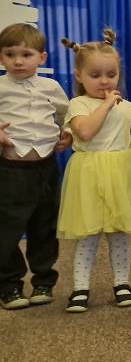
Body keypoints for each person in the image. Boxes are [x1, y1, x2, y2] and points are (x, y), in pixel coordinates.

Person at [57, 29, 131, 313]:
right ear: (79, 75)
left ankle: (122, 283)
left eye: (111, 74)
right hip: (89, 176)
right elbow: (85, 132)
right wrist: (107, 105)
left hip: (121, 176)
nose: (105, 81)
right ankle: (80, 288)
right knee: (88, 236)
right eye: (95, 75)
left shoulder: (129, 108)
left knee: (119, 234)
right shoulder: (78, 104)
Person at [0, 24, 71, 310]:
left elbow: (68, 114)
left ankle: (44, 280)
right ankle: (9, 285)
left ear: (41, 58)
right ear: (1, 57)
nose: (18, 61)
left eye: (26, 54)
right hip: (11, 169)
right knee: (7, 229)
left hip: (46, 167)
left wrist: (68, 133)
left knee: (45, 225)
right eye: (10, 54)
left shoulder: (51, 87)